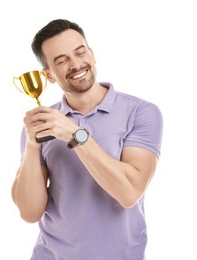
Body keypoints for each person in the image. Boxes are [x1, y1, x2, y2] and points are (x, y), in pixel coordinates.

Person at [11, 19, 163, 260]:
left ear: (91, 55)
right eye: (61, 61)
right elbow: (29, 212)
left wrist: (74, 134)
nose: (75, 64)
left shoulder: (141, 112)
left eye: (80, 53)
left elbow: (129, 193)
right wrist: (32, 145)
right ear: (48, 75)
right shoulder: (43, 123)